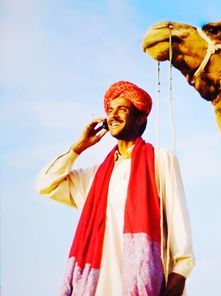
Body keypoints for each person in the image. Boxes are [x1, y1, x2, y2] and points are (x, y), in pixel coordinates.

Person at [36, 81, 195, 296]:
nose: (113, 115)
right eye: (110, 111)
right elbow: (45, 184)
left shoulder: (160, 160)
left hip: (147, 284)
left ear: (140, 118)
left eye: (122, 109)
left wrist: (181, 271)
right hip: (97, 286)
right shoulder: (92, 177)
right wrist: (78, 148)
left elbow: (177, 217)